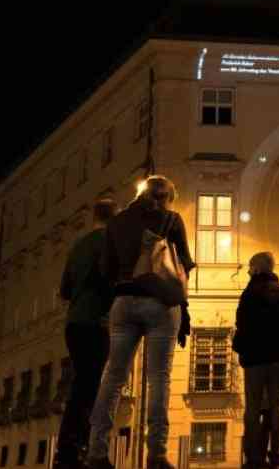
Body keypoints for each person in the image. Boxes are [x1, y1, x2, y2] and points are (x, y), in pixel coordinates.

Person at [87, 176, 195, 469]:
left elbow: (104, 269)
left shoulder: (117, 222)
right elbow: (184, 265)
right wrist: (183, 309)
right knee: (159, 377)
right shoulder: (171, 219)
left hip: (123, 302)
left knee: (112, 377)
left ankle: (97, 452)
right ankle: (157, 454)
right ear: (167, 197)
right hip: (160, 302)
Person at [54, 199, 118, 469]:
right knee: (89, 388)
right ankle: (73, 450)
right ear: (114, 219)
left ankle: (70, 448)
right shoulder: (110, 243)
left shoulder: (78, 245)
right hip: (95, 322)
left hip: (74, 323)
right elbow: (110, 277)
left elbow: (65, 290)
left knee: (82, 385)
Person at [233, 252, 279, 469]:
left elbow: (242, 324)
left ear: (257, 269)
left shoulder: (249, 294)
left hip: (254, 360)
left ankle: (253, 458)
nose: (248, 270)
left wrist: (242, 348)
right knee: (278, 406)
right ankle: (276, 454)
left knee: (253, 408)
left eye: (250, 266)